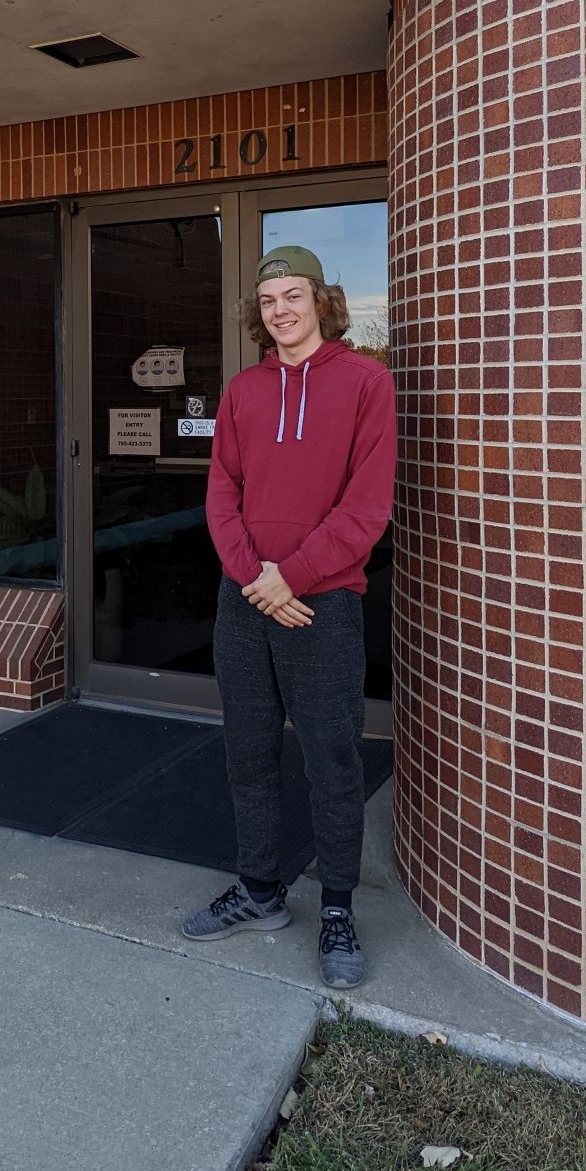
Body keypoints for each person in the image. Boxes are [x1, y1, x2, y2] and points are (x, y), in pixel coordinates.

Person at [181, 244, 397, 987]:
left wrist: (291, 577)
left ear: (322, 302)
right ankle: (261, 889)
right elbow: (220, 493)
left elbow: (367, 507)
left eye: (293, 295)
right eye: (268, 298)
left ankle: (336, 909)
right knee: (247, 757)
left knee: (330, 764)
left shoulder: (367, 382)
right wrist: (253, 578)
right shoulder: (242, 391)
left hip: (326, 603)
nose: (280, 309)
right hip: (243, 603)